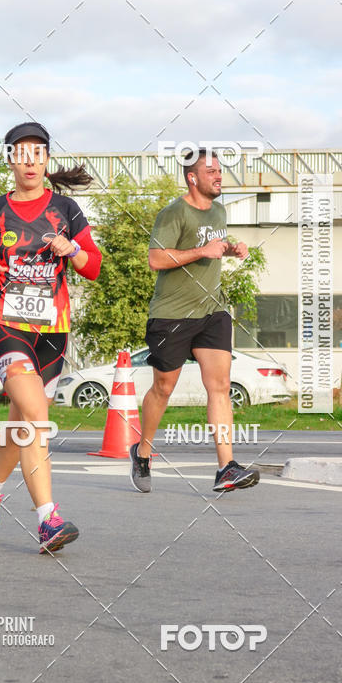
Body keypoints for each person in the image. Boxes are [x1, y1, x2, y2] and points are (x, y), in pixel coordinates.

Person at [0, 122, 102, 554]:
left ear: (47, 160)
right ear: (11, 161)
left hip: (52, 333)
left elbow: (92, 266)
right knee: (36, 415)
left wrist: (71, 250)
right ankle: (48, 520)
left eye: (38, 153)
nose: (30, 161)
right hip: (5, 323)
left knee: (22, 423)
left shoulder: (66, 209)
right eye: (22, 153)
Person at [129, 148, 260, 494]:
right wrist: (203, 252)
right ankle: (142, 452)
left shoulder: (219, 211)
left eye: (220, 170)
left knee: (219, 386)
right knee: (163, 389)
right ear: (192, 177)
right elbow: (156, 259)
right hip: (171, 316)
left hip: (211, 311)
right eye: (211, 171)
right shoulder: (173, 213)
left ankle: (225, 467)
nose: (219, 176)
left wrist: (229, 248)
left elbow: (212, 244)